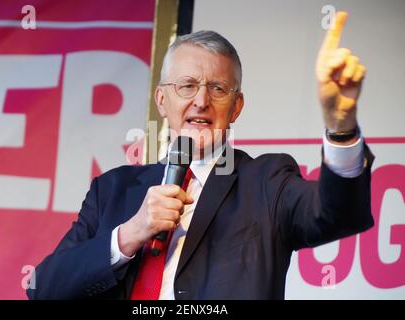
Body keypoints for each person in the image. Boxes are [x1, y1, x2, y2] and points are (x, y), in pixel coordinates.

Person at [27, 11, 373, 300]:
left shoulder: (267, 180)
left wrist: (339, 123)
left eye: (218, 89)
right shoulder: (112, 189)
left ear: (236, 107)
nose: (201, 101)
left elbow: (336, 213)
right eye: (187, 85)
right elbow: (44, 287)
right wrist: (132, 232)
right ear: (162, 100)